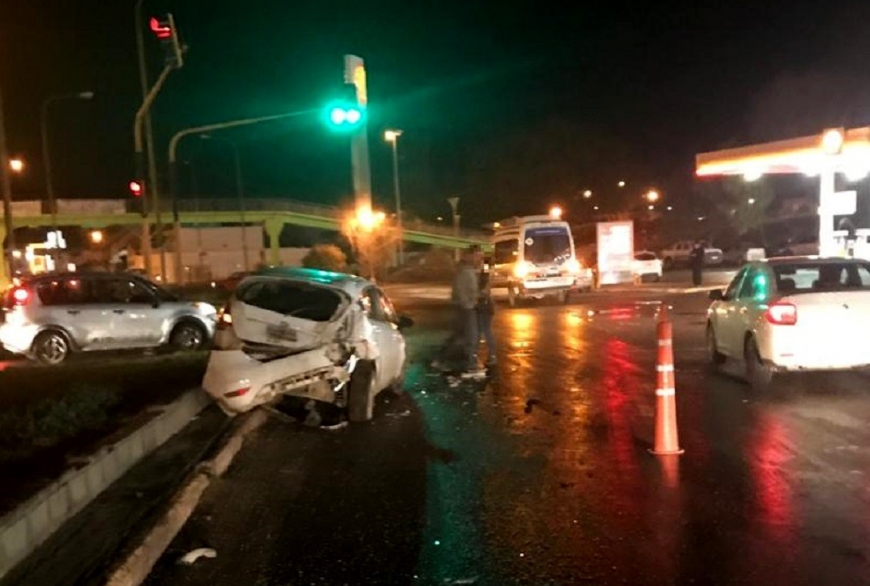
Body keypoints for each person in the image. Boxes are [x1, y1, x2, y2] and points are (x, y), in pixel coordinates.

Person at [433, 245, 485, 375]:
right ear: (470, 255)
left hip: (465, 307)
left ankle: (440, 360)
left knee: (457, 336)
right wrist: (468, 304)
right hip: (465, 308)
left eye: (481, 256)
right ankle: (470, 365)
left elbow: (471, 290)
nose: (480, 259)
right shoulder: (464, 271)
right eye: (478, 256)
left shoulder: (470, 270)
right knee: (471, 337)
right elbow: (461, 291)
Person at [477, 255, 496, 366]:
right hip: (487, 305)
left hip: (485, 305)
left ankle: (492, 355)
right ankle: (491, 355)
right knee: (485, 330)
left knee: (485, 330)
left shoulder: (484, 275)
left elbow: (485, 290)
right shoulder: (486, 274)